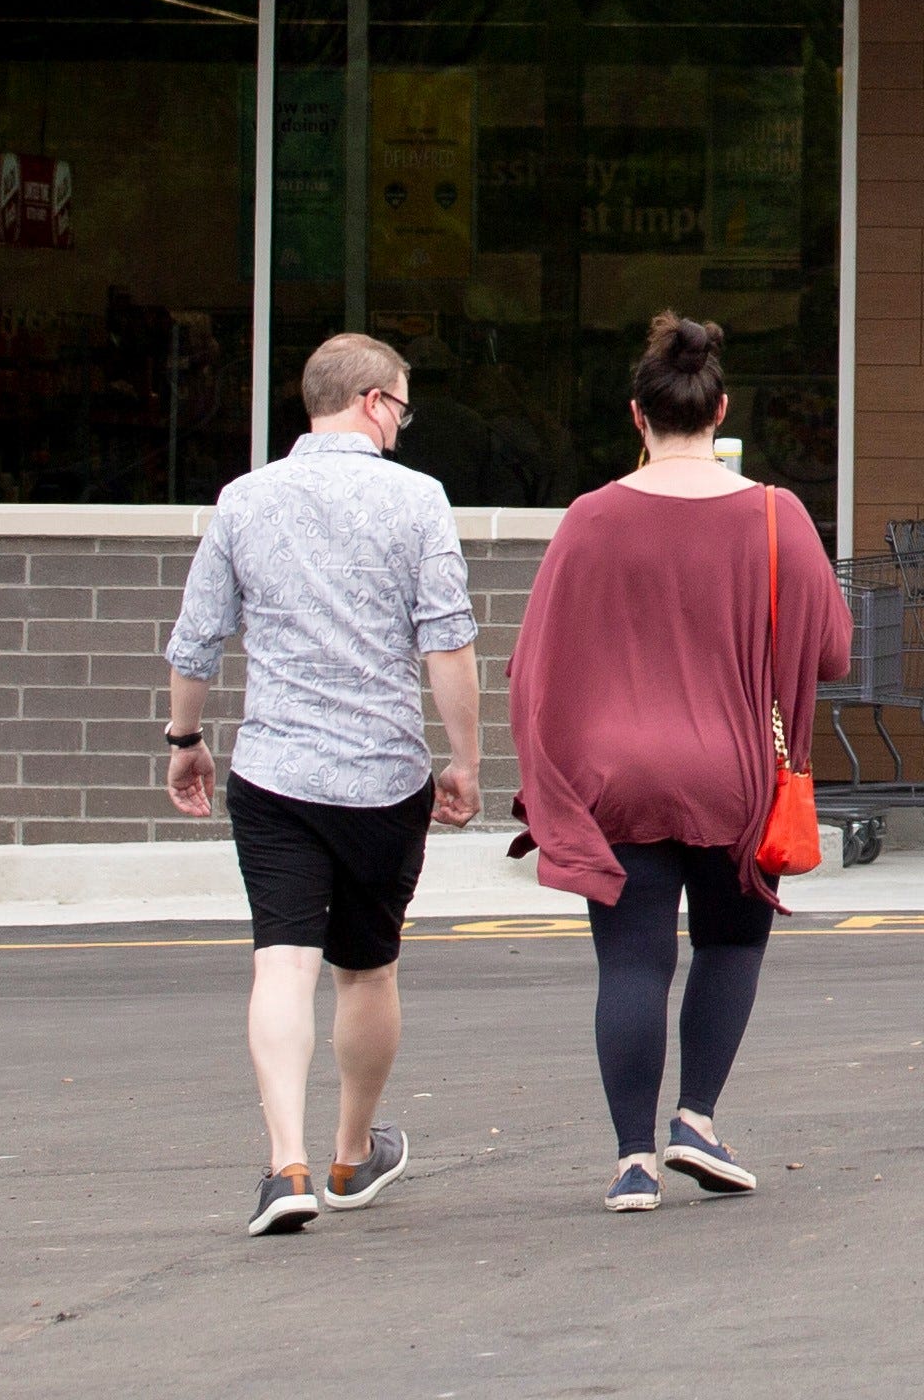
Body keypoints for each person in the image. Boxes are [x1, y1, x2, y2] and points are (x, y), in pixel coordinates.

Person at [504, 314, 852, 1213]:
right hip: (734, 774)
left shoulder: (590, 519)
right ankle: (696, 1119)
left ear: (637, 416)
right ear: (720, 409)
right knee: (731, 944)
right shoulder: (778, 514)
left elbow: (535, 659)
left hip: (618, 781)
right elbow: (833, 652)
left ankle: (631, 1162)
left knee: (632, 966)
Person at [163, 329, 483, 1239]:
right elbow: (446, 641)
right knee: (366, 970)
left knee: (282, 963)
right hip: (385, 777)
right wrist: (463, 760)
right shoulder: (419, 501)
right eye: (404, 407)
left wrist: (185, 738)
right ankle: (350, 1155)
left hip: (275, 775)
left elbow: (197, 639)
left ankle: (284, 1165)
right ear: (376, 402)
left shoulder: (244, 498)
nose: (403, 425)